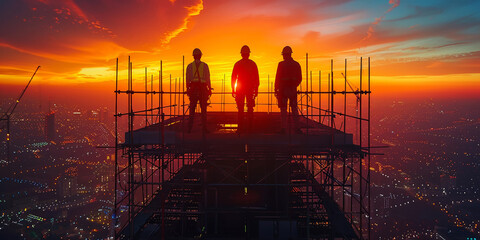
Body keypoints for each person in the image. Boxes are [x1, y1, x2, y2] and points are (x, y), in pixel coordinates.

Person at [231, 45, 259, 133]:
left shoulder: (238, 64)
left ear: (241, 54)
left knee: (240, 109)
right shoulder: (253, 64)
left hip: (240, 88)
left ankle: (240, 128)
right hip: (250, 88)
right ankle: (250, 129)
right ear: (248, 54)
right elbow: (256, 78)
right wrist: (256, 89)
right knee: (250, 108)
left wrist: (233, 89)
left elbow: (233, 78)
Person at [275, 46, 302, 134]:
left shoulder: (281, 64)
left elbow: (277, 77)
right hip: (293, 90)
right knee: (294, 108)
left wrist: (276, 89)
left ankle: (283, 128)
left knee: (283, 110)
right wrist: (294, 85)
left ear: (284, 55)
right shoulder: (296, 64)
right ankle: (297, 128)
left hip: (283, 90)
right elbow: (300, 78)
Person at [186, 48, 212, 133]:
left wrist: (188, 89)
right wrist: (209, 89)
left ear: (193, 56)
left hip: (193, 89)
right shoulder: (205, 66)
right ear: (200, 56)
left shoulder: (189, 66)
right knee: (203, 110)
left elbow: (187, 79)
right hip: (202, 89)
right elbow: (208, 78)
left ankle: (189, 129)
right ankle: (204, 129)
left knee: (192, 110)